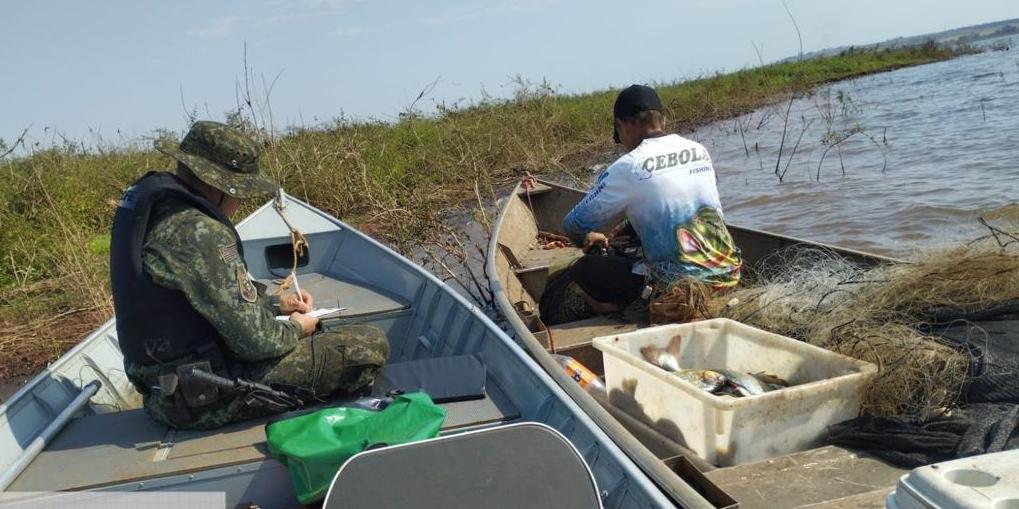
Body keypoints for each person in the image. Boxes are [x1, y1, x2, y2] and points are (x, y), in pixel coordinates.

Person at [110, 121, 389, 430]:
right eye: (240, 192)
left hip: (164, 389)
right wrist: (297, 327)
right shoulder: (197, 232)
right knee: (367, 344)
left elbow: (198, 302)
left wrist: (275, 304)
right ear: (219, 186)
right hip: (203, 397)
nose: (240, 202)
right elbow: (259, 343)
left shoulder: (156, 211)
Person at [560, 85, 742, 319]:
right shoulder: (698, 150)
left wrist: (587, 239)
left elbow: (572, 226)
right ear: (662, 119)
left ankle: (616, 311)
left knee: (583, 269)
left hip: (678, 285)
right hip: (729, 272)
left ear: (623, 126)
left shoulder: (628, 166)